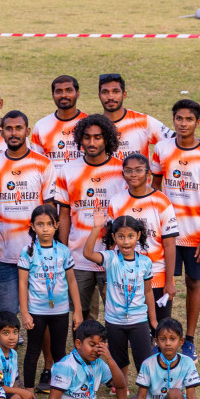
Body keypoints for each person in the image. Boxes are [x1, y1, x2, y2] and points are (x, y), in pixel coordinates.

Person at [151, 99, 200, 359]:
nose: (183, 123)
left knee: (194, 283)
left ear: (197, 123)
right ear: (173, 120)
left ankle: (189, 340)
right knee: (162, 284)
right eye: (179, 118)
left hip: (195, 234)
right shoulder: (161, 148)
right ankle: (158, 334)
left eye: (189, 119)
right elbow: (155, 188)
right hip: (166, 233)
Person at [0, 110, 58, 319]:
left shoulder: (44, 164)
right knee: (8, 312)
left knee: (41, 310)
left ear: (27, 131)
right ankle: (10, 345)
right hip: (3, 254)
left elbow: (50, 210)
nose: (14, 133)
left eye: (18, 128)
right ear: (2, 133)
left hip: (38, 253)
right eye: (9, 129)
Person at [55, 114, 126, 321]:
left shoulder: (121, 170)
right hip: (78, 257)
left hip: (112, 256)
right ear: (80, 139)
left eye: (97, 137)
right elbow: (65, 214)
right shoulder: (68, 170)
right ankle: (82, 353)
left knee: (116, 313)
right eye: (87, 137)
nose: (91, 142)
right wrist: (64, 249)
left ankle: (113, 353)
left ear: (107, 139)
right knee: (81, 315)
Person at [104, 152, 179, 323]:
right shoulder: (116, 201)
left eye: (138, 170)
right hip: (126, 275)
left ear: (148, 173)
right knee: (135, 326)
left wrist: (169, 281)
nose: (133, 175)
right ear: (123, 174)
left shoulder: (162, 201)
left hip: (157, 275)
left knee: (160, 325)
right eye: (128, 170)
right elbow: (110, 243)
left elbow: (169, 244)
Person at [16, 204, 81, 394]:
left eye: (49, 224)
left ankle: (59, 392)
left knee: (59, 351)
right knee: (32, 352)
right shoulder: (27, 251)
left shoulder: (63, 250)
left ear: (57, 225)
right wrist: (25, 313)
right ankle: (29, 395)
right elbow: (22, 284)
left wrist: (77, 310)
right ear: (32, 226)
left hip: (60, 310)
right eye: (40, 224)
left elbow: (71, 281)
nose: (45, 229)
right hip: (36, 311)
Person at [82, 216, 157, 373]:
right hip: (114, 321)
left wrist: (153, 321)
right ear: (113, 237)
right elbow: (88, 253)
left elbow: (148, 291)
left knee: (144, 362)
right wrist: (96, 228)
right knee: (119, 360)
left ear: (138, 235)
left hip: (139, 320)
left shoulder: (145, 262)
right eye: (121, 237)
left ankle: (145, 392)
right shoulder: (111, 258)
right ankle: (121, 389)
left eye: (130, 236)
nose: (126, 241)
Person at [47, 319, 131, 399]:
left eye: (100, 345)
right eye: (92, 345)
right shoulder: (66, 366)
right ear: (78, 344)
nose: (96, 350)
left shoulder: (99, 363)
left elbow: (120, 384)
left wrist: (110, 359)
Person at [134, 318, 200, 399]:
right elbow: (141, 396)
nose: (168, 343)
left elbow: (191, 397)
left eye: (172, 339)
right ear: (157, 342)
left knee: (175, 394)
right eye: (163, 339)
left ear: (181, 341)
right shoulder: (148, 364)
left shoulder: (187, 363)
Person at [30, 75, 84, 168]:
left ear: (77, 94)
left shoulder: (90, 123)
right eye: (59, 91)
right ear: (53, 95)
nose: (64, 95)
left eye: (69, 90)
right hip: (53, 182)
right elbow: (36, 163)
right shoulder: (41, 126)